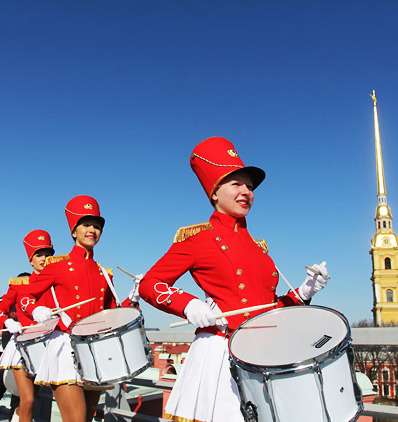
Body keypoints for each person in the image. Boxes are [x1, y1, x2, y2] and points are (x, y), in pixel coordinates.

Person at [138, 136, 330, 422]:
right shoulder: (198, 239)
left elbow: (268, 309)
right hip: (221, 354)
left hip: (264, 352)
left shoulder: (258, 247)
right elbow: (149, 284)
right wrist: (191, 306)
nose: (246, 192)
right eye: (236, 184)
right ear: (214, 193)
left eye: (250, 186)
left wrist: (303, 293)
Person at [18, 195, 140, 422]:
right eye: (85, 225)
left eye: (97, 226)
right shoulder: (58, 266)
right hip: (65, 347)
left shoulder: (105, 273)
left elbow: (112, 313)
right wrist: (36, 310)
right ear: (74, 231)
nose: (92, 230)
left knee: (86, 419)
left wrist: (133, 298)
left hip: (96, 351)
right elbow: (26, 295)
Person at [0, 230, 56, 422]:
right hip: (23, 346)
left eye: (48, 254)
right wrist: (8, 322)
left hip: (48, 347)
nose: (44, 259)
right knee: (27, 400)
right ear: (31, 260)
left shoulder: (57, 283)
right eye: (39, 255)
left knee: (30, 401)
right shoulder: (20, 284)